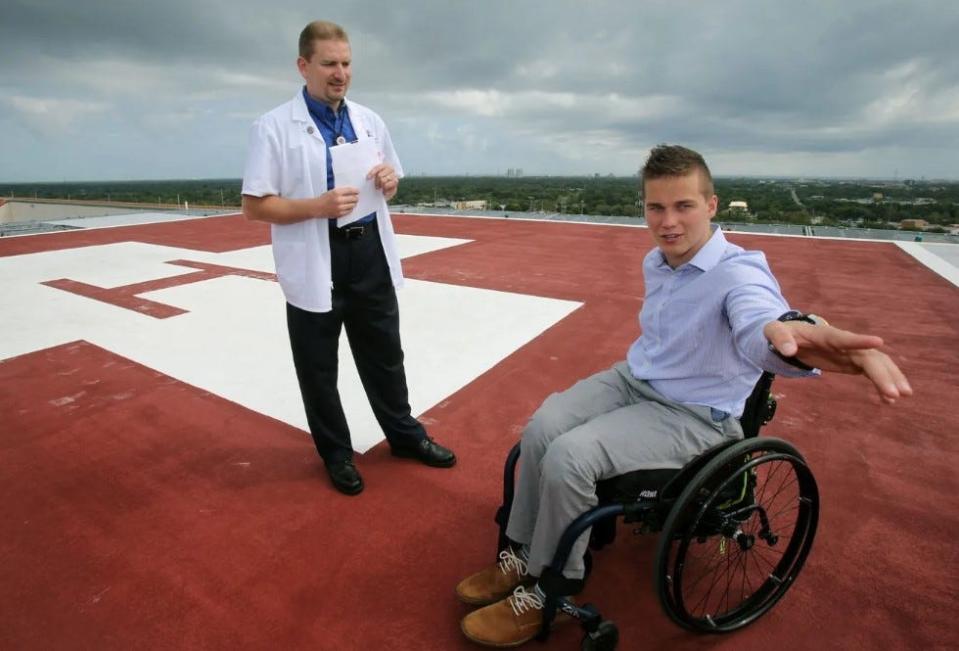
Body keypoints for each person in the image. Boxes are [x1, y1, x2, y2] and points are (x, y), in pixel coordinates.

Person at [455, 145, 912, 647]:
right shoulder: (660, 260)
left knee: (572, 455)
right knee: (543, 426)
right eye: (656, 208)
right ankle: (523, 549)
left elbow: (759, 317)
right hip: (638, 379)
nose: (668, 222)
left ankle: (553, 586)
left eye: (683, 206)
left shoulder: (738, 271)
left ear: (711, 205)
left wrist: (793, 334)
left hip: (696, 415)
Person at [241, 20, 455, 496]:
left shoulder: (368, 120)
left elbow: (392, 178)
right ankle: (335, 453)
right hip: (316, 258)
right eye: (329, 63)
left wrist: (389, 181)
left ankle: (403, 435)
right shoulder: (273, 128)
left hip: (369, 250)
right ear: (304, 66)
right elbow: (255, 205)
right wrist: (315, 207)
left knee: (385, 353)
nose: (340, 73)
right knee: (318, 365)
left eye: (346, 63)